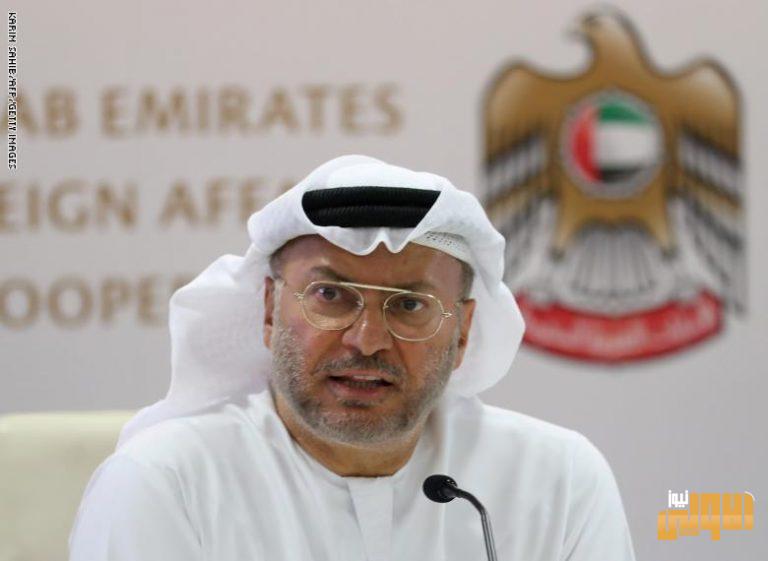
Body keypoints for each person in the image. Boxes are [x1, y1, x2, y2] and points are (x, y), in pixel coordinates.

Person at [69, 155, 636, 561]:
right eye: (330, 296)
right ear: (269, 310)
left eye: (409, 305)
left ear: (462, 331)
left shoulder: (556, 480)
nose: (366, 340)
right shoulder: (166, 483)